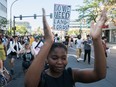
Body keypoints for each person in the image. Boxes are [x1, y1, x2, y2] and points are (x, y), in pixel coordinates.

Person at [25, 8, 107, 87]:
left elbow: (99, 74)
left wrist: (96, 40)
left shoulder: (71, 74)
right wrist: (48, 41)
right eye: (54, 58)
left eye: (64, 58)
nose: (60, 62)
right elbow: (29, 84)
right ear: (46, 59)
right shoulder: (40, 77)